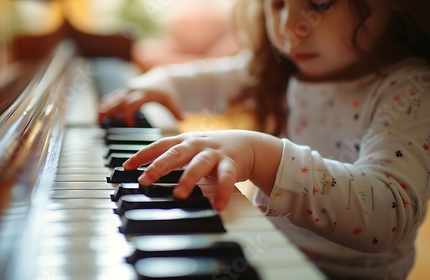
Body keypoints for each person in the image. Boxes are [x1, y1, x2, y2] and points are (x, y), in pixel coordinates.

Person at [98, 0, 430, 279]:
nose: (289, 26)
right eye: (278, 4)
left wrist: (264, 158)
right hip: (269, 256)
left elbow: (387, 213)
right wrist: (163, 83)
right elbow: (215, 78)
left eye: (320, 3)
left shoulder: (411, 91)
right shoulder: (283, 66)